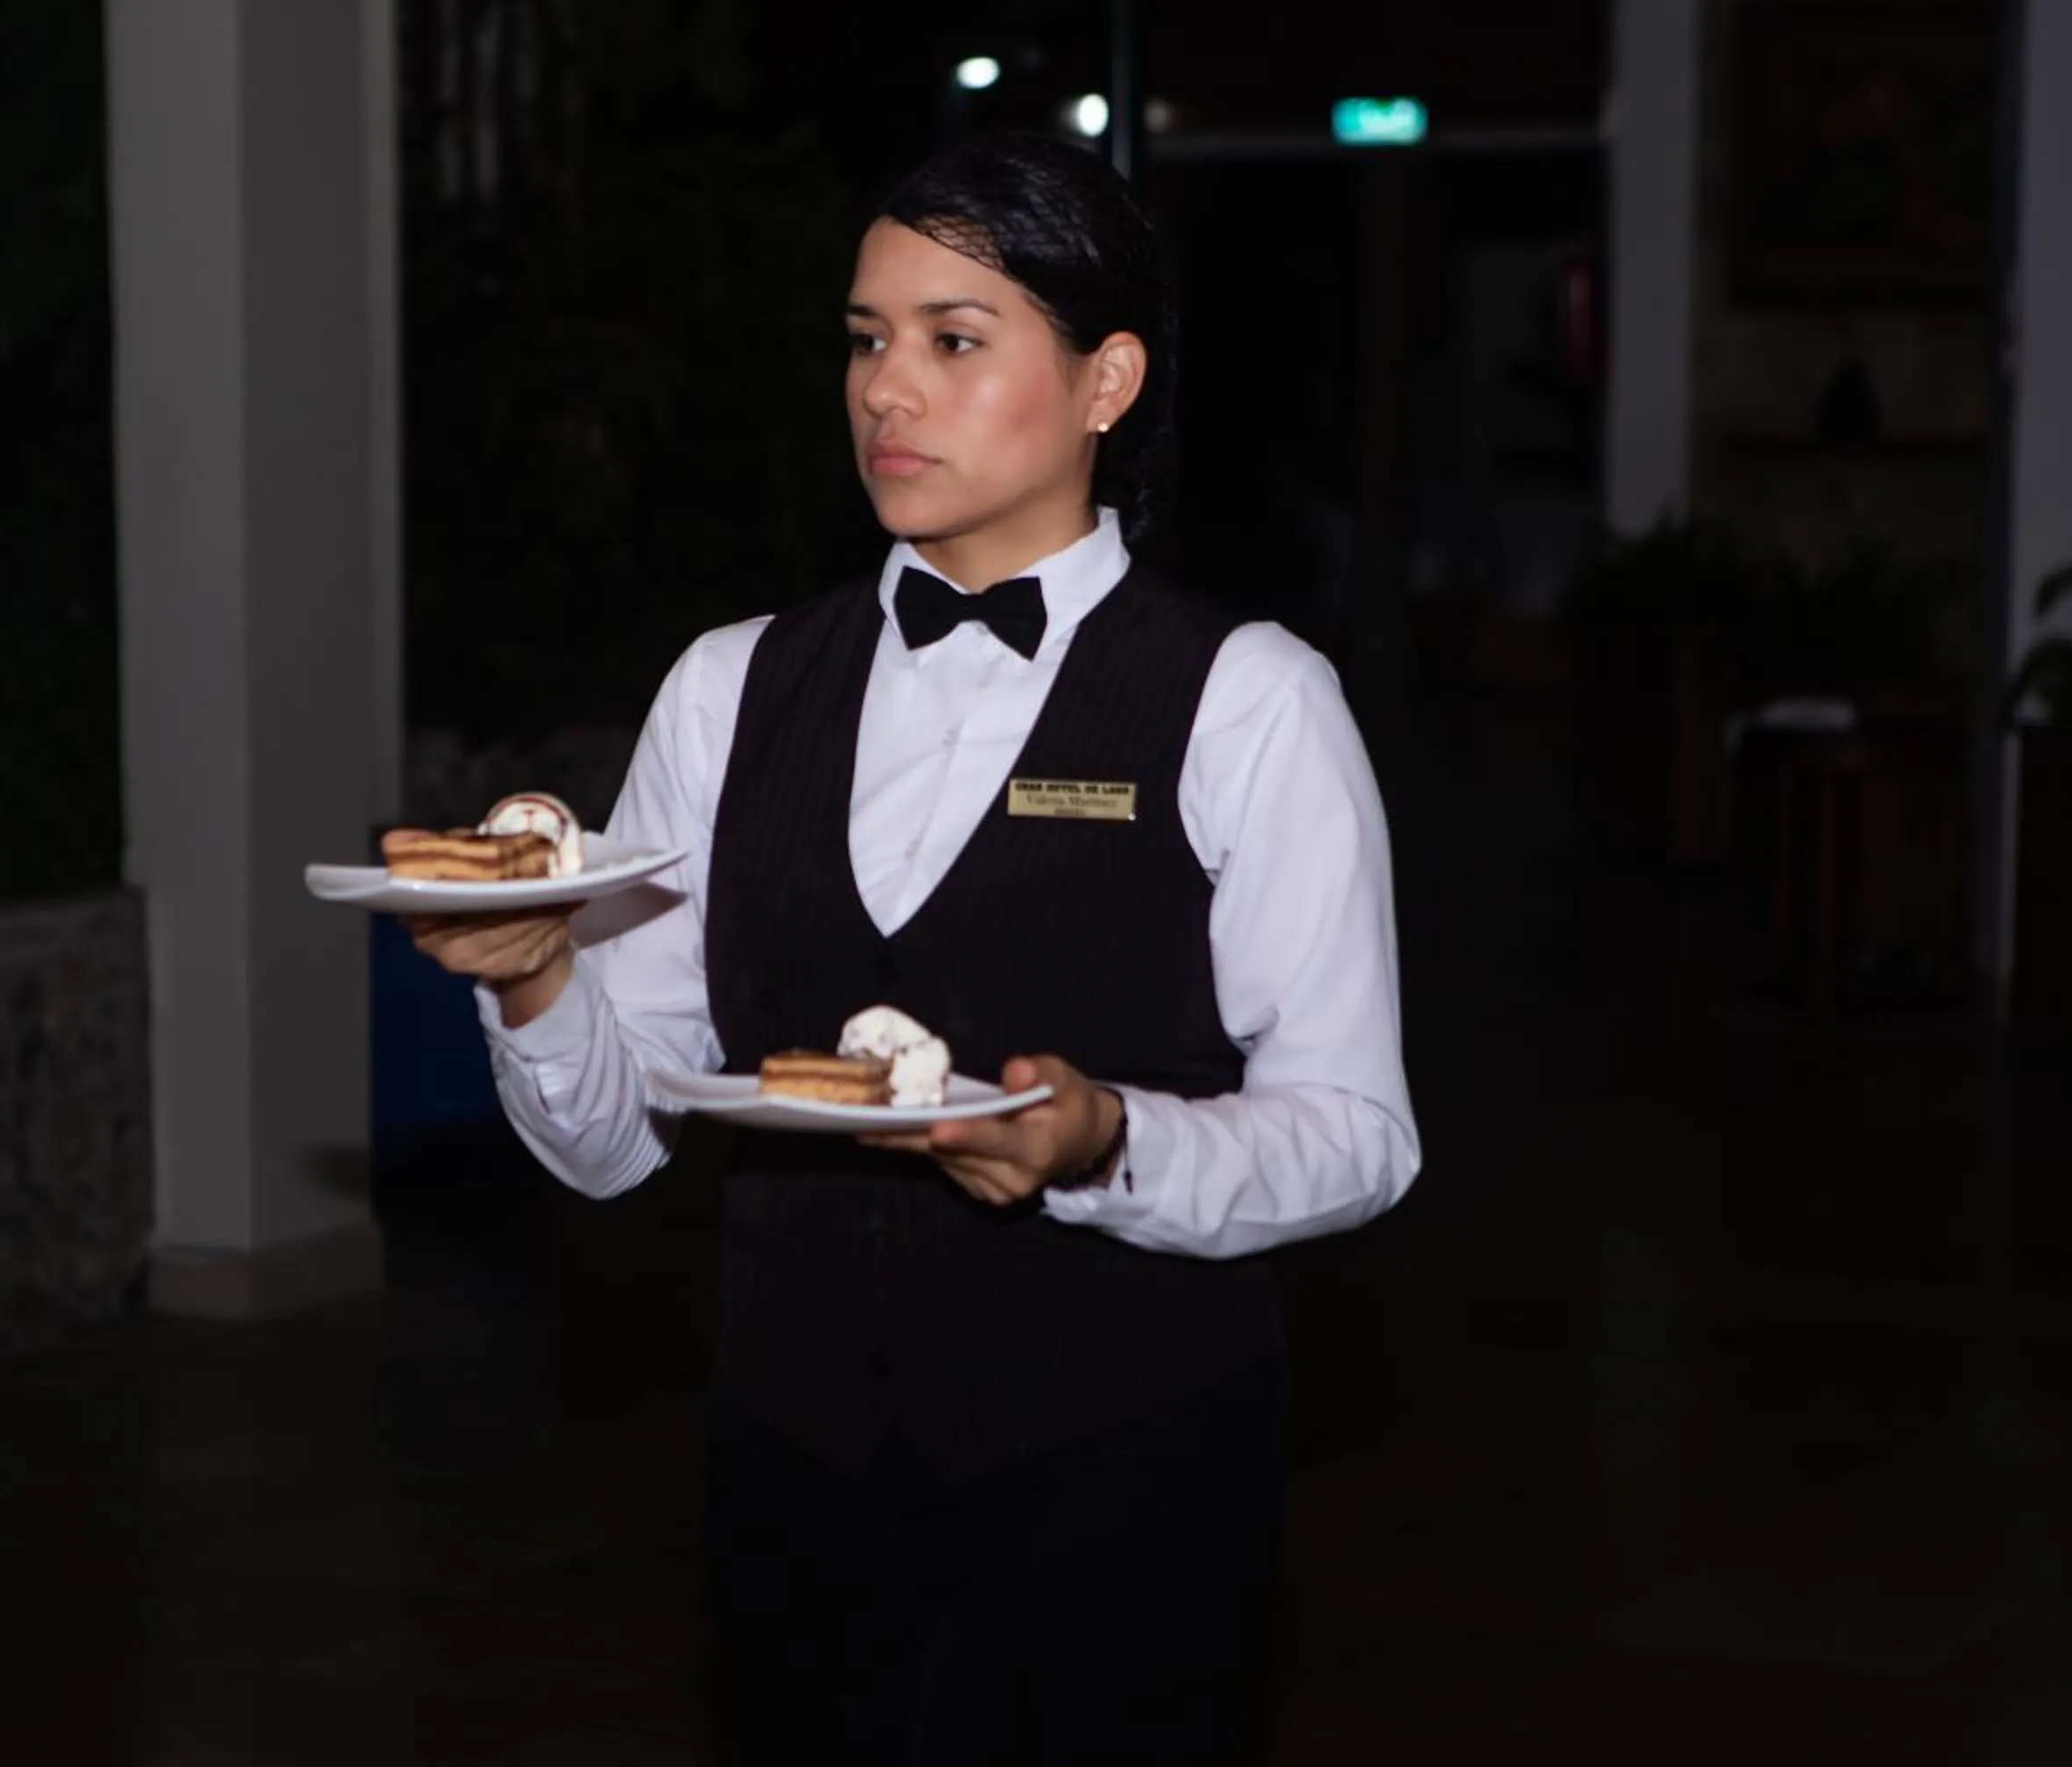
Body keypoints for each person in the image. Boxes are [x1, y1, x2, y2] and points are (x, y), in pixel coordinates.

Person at [406, 133, 1421, 1766]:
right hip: (798, 1471)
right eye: (869, 339)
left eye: (956, 341)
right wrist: (534, 976)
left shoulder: (1249, 698)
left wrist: (1109, 1144)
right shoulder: (732, 689)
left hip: (1126, 1470)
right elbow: (609, 1145)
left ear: (1107, 381)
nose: (891, 390)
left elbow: (1358, 1134)